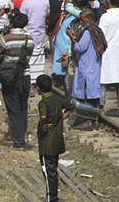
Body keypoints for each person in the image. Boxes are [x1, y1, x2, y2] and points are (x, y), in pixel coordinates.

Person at [0, 11, 34, 149]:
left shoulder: (7, 39)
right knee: (23, 107)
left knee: (13, 108)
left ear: (11, 24)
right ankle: (23, 136)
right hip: (25, 76)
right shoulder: (29, 39)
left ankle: (18, 141)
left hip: (10, 77)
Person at [35, 74, 73, 202]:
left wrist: (43, 127)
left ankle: (51, 198)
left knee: (47, 170)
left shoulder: (43, 102)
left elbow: (43, 117)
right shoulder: (57, 98)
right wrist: (60, 118)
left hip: (47, 143)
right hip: (57, 140)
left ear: (38, 88)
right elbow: (70, 107)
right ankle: (54, 196)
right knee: (53, 169)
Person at [68, 9, 105, 130]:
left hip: (85, 69)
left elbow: (79, 48)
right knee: (93, 95)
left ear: (89, 19)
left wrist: (71, 37)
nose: (81, 22)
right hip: (94, 67)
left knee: (86, 95)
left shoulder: (88, 32)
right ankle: (94, 120)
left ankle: (87, 121)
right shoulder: (97, 31)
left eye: (82, 19)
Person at [98, 0, 119, 118]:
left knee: (103, 79)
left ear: (108, 1)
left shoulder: (105, 17)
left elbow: (101, 36)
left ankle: (101, 107)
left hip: (107, 51)